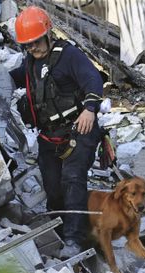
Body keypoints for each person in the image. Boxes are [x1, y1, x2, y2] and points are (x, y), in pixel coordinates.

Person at [9, 6, 104, 258]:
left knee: (73, 179)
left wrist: (90, 108)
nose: (33, 49)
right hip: (49, 134)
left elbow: (93, 80)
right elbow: (15, 78)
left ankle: (74, 240)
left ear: (48, 34)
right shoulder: (30, 63)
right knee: (53, 187)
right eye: (27, 45)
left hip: (78, 129)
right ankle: (58, 233)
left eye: (36, 42)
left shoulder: (69, 56)